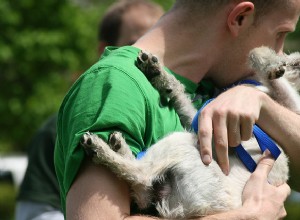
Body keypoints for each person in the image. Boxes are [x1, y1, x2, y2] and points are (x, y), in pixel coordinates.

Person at [54, 0, 300, 219]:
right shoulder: (116, 86)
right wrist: (248, 217)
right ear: (239, 18)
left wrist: (262, 105)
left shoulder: (218, 87)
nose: (279, 53)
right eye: (280, 34)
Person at [15, 1, 164, 220]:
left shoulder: (173, 114)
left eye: (158, 42)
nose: (149, 55)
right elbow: (34, 214)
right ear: (105, 50)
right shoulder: (53, 132)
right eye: (136, 43)